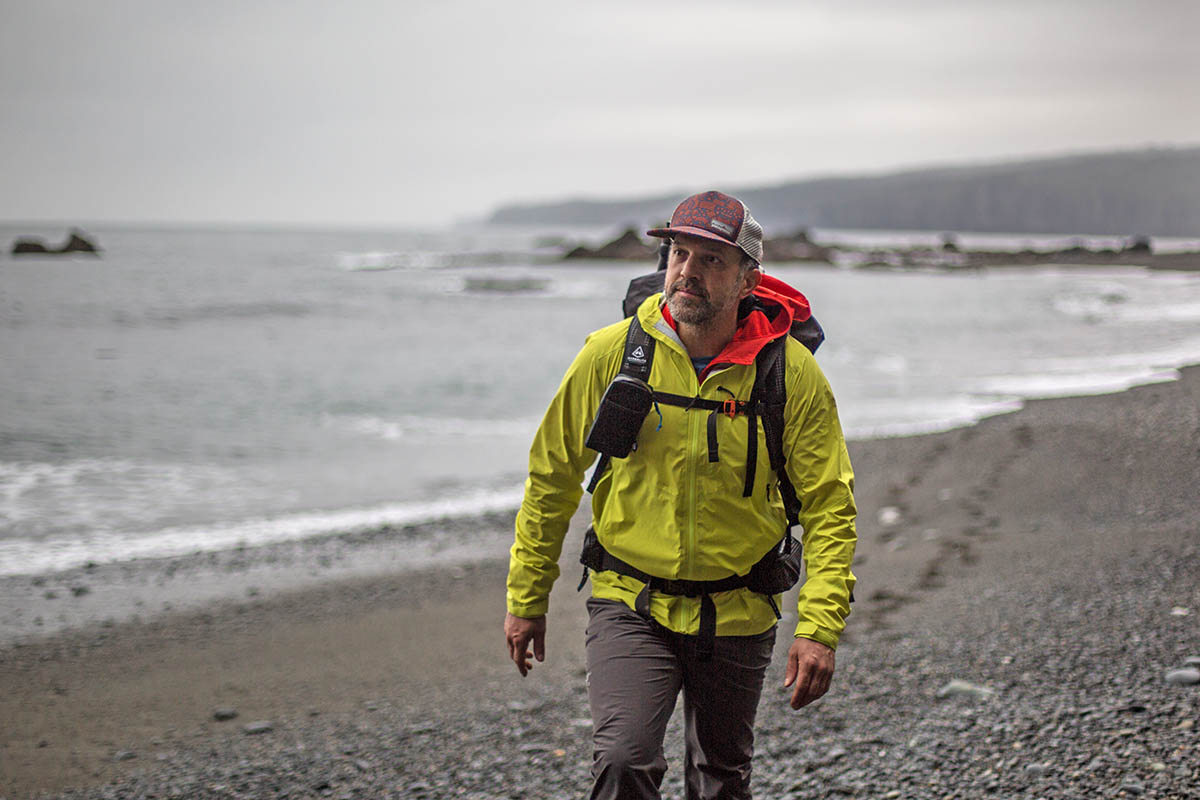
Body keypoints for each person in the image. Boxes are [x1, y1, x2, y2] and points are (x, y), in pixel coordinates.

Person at [504, 190, 857, 799]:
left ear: (748, 279)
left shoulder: (788, 372)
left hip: (741, 608)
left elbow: (830, 505)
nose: (688, 272)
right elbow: (553, 475)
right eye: (679, 253)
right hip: (630, 600)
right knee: (623, 759)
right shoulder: (612, 355)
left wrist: (819, 627)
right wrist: (526, 595)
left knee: (721, 779)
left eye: (712, 260)